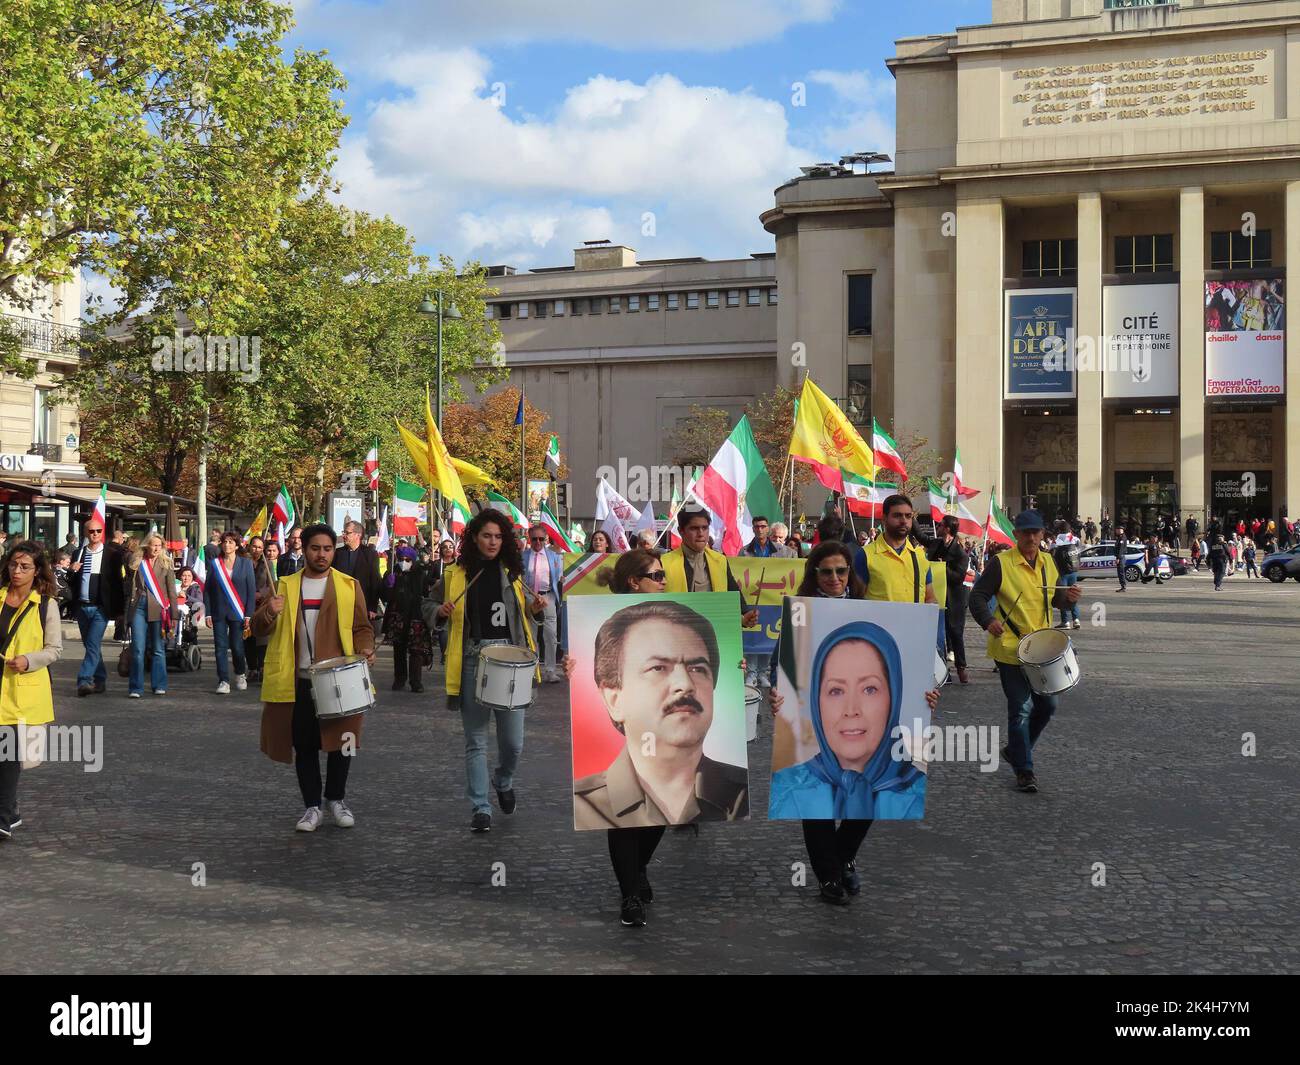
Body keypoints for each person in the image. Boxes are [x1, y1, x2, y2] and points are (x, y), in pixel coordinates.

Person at [770, 538, 940, 906]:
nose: (834, 578)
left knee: (869, 795)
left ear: (851, 573)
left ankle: (844, 855)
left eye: (841, 571)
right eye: (826, 571)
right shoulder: (801, 614)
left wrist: (923, 697)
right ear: (814, 574)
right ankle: (829, 876)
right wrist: (776, 691)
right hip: (815, 732)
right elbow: (781, 663)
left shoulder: (872, 611)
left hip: (872, 741)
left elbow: (905, 672)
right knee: (816, 800)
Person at [251, 523, 375, 833]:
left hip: (339, 680)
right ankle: (312, 806)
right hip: (298, 681)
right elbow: (257, 628)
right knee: (304, 745)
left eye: (328, 548)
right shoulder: (284, 585)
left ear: (334, 551)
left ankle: (336, 799)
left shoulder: (349, 585)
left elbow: (362, 627)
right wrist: (270, 612)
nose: (322, 554)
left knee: (342, 743)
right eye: (316, 548)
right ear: (304, 550)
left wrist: (365, 648)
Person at [431, 509, 542, 834]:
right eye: (486, 536)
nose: (493, 542)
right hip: (472, 658)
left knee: (514, 743)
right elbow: (428, 604)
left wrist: (534, 611)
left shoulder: (513, 572)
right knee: (475, 740)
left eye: (498, 536)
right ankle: (480, 808)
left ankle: (503, 779)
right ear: (474, 538)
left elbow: (524, 617)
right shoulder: (456, 574)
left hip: (511, 657)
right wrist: (439, 610)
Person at [969, 510, 1082, 794]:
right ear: (1016, 535)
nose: (1031, 537)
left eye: (1036, 532)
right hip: (1009, 648)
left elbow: (1055, 600)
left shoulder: (1048, 562)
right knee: (1020, 708)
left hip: (1041, 649)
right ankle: (1025, 770)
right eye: (1025, 532)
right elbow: (977, 596)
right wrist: (989, 620)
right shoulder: (1001, 564)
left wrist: (1068, 600)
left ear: (1043, 535)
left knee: (1048, 706)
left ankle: (1017, 751)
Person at [769, 622, 929, 819]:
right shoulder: (783, 791)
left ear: (894, 697)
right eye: (836, 691)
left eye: (869, 689)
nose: (851, 710)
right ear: (817, 702)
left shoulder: (920, 795)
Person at [0, 540, 63, 839]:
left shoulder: (46, 605)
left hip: (22, 690)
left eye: (24, 566)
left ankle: (2, 817)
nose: (17, 571)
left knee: (8, 754)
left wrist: (28, 659)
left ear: (37, 571)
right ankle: (10, 810)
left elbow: (54, 649)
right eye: (13, 564)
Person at [661, 504, 759, 627]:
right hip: (676, 634)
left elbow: (733, 593)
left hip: (715, 633)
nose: (701, 533)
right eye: (694, 528)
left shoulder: (720, 560)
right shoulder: (664, 562)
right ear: (681, 531)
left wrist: (745, 616)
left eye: (705, 528)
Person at [69, 515, 126, 696]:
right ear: (86, 533)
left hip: (101, 608)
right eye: (91, 531)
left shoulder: (112, 555)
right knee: (91, 646)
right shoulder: (78, 553)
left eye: (98, 531)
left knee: (93, 644)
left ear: (102, 533)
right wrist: (72, 571)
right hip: (82, 607)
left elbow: (118, 584)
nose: (95, 534)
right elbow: (72, 583)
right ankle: (100, 680)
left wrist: (119, 611)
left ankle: (84, 681)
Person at [852, 495, 937, 607]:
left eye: (908, 516)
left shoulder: (920, 556)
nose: (903, 521)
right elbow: (856, 601)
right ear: (884, 518)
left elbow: (930, 598)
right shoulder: (865, 555)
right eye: (897, 515)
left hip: (915, 623)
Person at [126, 533, 180, 698]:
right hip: (139, 608)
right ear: (146, 545)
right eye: (153, 544)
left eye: (159, 545)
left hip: (158, 608)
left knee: (157, 648)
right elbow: (128, 589)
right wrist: (126, 614)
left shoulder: (167, 564)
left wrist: (174, 615)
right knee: (137, 649)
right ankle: (136, 687)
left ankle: (159, 684)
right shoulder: (136, 563)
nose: (156, 548)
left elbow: (171, 591)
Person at [204, 530, 256, 694]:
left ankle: (240, 674)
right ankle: (223, 680)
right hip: (218, 610)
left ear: (236, 545)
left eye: (231, 542)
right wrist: (208, 612)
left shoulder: (245, 563)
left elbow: (251, 589)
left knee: (237, 646)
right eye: (225, 542)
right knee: (220, 647)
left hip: (238, 611)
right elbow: (208, 590)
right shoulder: (214, 564)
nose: (227, 545)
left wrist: (249, 614)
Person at [924, 515, 971, 682]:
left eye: (941, 524)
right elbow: (921, 537)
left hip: (953, 598)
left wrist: (942, 567)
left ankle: (961, 667)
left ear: (948, 528)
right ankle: (941, 669)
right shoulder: (936, 544)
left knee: (955, 633)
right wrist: (912, 519)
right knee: (936, 633)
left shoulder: (961, 554)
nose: (938, 526)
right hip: (935, 595)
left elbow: (958, 577)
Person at [384, 544, 433, 693]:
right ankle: (399, 679)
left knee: (416, 651)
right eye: (401, 559)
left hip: (416, 617)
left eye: (407, 559)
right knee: (398, 649)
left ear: (413, 560)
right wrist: (388, 585)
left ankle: (415, 681)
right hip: (398, 616)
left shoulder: (420, 574)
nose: (403, 561)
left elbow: (425, 593)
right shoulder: (392, 573)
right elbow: (386, 596)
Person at [522, 525, 564, 684]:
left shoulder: (554, 557)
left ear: (546, 539)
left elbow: (560, 577)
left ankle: (550, 670)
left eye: (541, 539)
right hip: (529, 597)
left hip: (548, 597)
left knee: (551, 635)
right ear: (529, 539)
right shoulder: (522, 556)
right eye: (534, 539)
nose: (538, 542)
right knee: (531, 635)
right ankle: (533, 671)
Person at [333, 520, 382, 635]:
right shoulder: (338, 554)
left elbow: (375, 581)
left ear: (358, 535)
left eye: (347, 533)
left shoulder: (369, 554)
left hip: (362, 605)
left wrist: (372, 607)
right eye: (343, 532)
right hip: (341, 605)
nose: (344, 535)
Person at [245, 535, 274, 683]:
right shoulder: (243, 562)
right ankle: (252, 668)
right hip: (245, 604)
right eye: (254, 546)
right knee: (248, 637)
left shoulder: (267, 563)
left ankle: (262, 667)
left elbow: (271, 584)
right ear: (250, 546)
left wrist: (260, 594)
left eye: (260, 547)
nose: (257, 549)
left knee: (262, 638)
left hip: (261, 604)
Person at [1049, 520, 1082, 629]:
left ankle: (1065, 621)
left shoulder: (1058, 540)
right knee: (1073, 594)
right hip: (1073, 571)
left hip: (1062, 572)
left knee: (1063, 595)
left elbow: (1051, 553)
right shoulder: (1075, 539)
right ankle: (1076, 619)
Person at [1114, 526, 1129, 592]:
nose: (1116, 531)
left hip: (1121, 557)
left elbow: (1120, 549)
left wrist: (1118, 558)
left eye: (1117, 529)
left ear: (1121, 530)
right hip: (1121, 557)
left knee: (1121, 572)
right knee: (1120, 572)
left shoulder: (1122, 538)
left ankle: (1123, 586)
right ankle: (1122, 586)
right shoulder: (1120, 537)